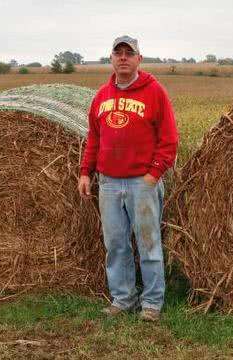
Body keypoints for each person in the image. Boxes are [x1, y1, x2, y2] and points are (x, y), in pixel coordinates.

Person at [78, 35, 178, 322]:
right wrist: (86, 172)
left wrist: (153, 175)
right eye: (118, 53)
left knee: (148, 243)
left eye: (129, 53)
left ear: (139, 59)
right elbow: (94, 139)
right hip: (108, 183)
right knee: (116, 244)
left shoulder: (155, 92)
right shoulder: (101, 96)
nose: (123, 57)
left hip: (141, 183)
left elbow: (169, 139)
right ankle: (123, 298)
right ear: (111, 58)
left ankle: (152, 303)